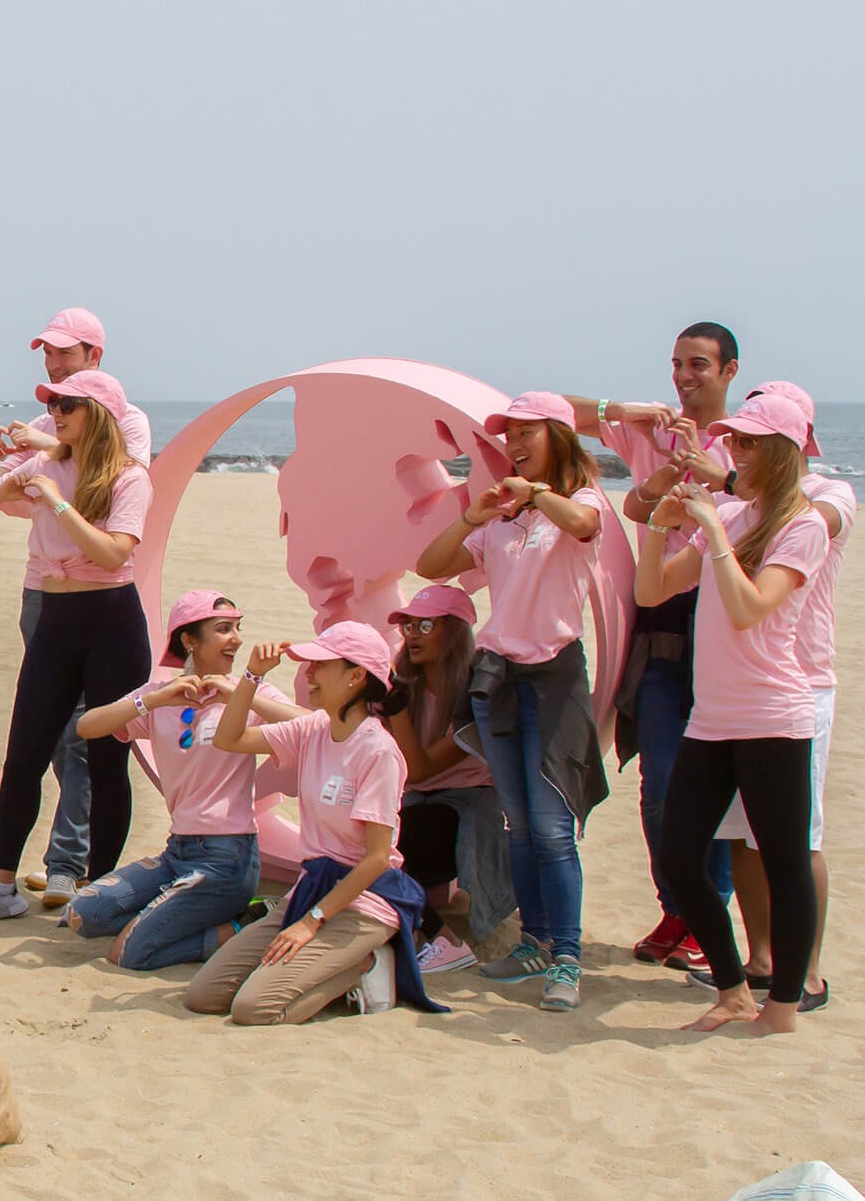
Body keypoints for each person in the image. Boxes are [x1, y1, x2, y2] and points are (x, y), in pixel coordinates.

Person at [638, 391, 826, 1036]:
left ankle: (783, 1008)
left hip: (774, 715)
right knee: (679, 858)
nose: (734, 451)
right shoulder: (735, 514)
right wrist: (657, 527)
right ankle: (732, 990)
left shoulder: (802, 525)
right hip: (713, 718)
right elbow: (652, 589)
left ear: (778, 452)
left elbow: (750, 609)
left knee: (784, 860)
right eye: (732, 441)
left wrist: (715, 529)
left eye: (746, 442)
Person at [413, 391, 608, 1012]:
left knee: (552, 828)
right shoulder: (501, 519)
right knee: (519, 824)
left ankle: (567, 959)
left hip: (554, 678)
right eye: (509, 436)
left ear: (558, 435)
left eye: (528, 433)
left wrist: (534, 494)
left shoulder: (578, 501)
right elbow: (429, 565)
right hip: (498, 676)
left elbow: (585, 526)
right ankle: (534, 942)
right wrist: (477, 515)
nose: (515, 445)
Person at [564, 322, 739, 967]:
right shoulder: (650, 428)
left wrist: (715, 472)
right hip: (660, 616)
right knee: (659, 780)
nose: (685, 376)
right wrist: (622, 412)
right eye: (676, 364)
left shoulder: (749, 437)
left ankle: (708, 913)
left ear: (729, 372)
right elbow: (548, 412)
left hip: (723, 617)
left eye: (699, 364)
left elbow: (778, 502)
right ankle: (679, 908)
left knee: (713, 779)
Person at [0, 369, 152, 923]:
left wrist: (60, 504)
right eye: (52, 403)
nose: (55, 411)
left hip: (113, 622)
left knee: (108, 759)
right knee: (24, 755)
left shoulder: (130, 477)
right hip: (57, 621)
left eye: (68, 403)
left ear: (101, 415)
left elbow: (115, 554)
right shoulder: (45, 463)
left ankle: (100, 891)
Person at [187, 624, 442, 1024]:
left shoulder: (378, 752)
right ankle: (339, 960)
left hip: (365, 901)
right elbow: (229, 739)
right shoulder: (313, 729)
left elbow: (376, 859)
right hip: (313, 888)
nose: (308, 675)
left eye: (320, 666)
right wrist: (252, 677)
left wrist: (311, 923)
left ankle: (366, 964)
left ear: (356, 676)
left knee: (255, 1008)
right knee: (204, 996)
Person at [703, 383, 848, 1010]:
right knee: (741, 832)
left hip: (801, 682)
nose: (743, 446)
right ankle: (760, 957)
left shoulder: (827, 495)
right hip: (740, 686)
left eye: (756, 437)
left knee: (795, 839)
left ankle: (806, 969)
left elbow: (809, 517)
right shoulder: (748, 502)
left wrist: (726, 484)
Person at [65, 591, 302, 970]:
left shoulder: (246, 692)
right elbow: (88, 726)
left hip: (227, 859)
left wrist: (244, 692)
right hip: (177, 852)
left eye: (238, 628)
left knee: (129, 953)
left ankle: (248, 924)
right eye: (224, 629)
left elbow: (311, 728)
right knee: (82, 915)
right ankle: (173, 915)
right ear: (189, 640)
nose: (237, 639)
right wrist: (154, 701)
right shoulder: (162, 696)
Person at [381, 586, 515, 973]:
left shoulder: (477, 690)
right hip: (415, 800)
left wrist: (398, 711)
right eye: (408, 626)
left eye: (426, 625)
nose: (413, 635)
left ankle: (445, 940)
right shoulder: (405, 682)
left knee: (404, 839)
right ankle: (429, 928)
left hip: (465, 799)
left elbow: (420, 767)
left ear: (455, 632)